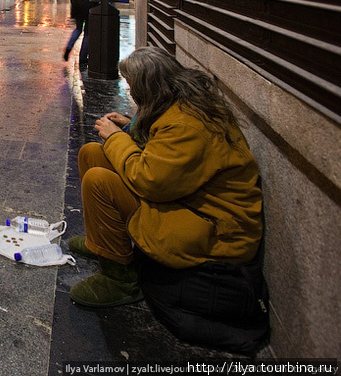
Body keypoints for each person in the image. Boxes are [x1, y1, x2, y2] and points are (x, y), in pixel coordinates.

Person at [68, 47, 268, 352]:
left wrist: (118, 137)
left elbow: (150, 180)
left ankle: (121, 279)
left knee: (100, 179)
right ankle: (104, 245)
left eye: (134, 87)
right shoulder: (182, 104)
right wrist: (131, 126)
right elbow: (164, 154)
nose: (131, 92)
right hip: (190, 205)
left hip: (212, 230)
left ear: (150, 87)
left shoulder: (188, 124)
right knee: (93, 153)